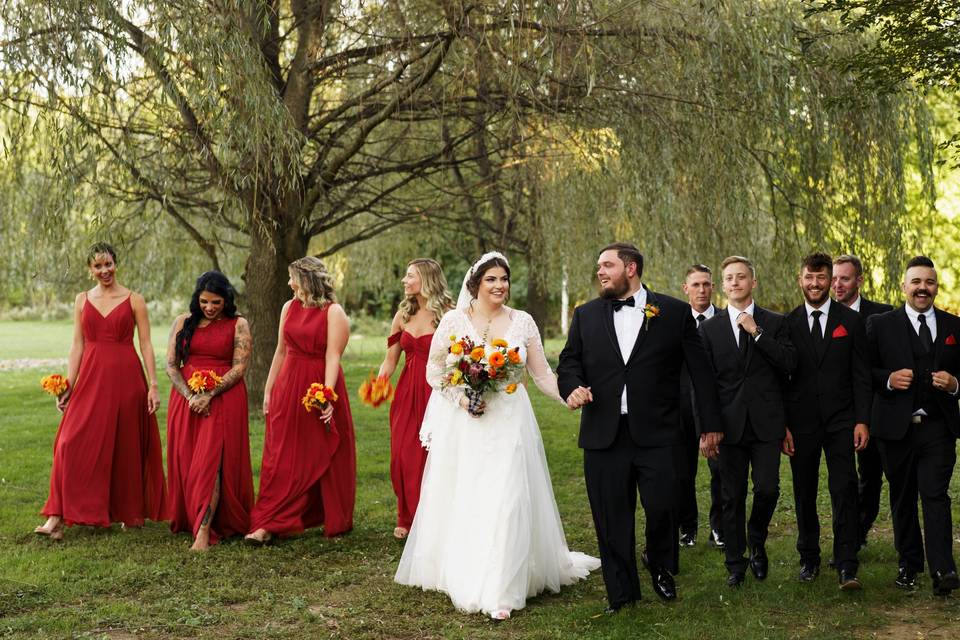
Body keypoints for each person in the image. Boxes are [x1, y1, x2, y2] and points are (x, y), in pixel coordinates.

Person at [395, 252, 599, 621]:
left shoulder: (522, 321)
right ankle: (469, 569)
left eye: (504, 279)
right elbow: (435, 369)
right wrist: (461, 397)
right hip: (469, 423)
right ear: (476, 284)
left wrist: (567, 396)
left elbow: (540, 375)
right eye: (492, 279)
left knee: (509, 494)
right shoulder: (456, 320)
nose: (500, 285)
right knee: (472, 493)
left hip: (510, 419)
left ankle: (502, 587)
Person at [557, 243, 723, 611]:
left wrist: (709, 425)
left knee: (664, 507)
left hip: (661, 434)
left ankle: (661, 564)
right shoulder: (585, 316)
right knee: (610, 515)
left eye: (607, 265)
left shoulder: (673, 312)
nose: (600, 271)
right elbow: (569, 362)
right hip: (604, 433)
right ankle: (621, 592)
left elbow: (702, 374)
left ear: (630, 268)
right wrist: (571, 387)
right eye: (599, 265)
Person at [35, 242, 166, 540]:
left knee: (124, 444)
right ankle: (57, 516)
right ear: (89, 270)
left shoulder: (134, 300)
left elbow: (145, 344)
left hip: (126, 377)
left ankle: (127, 511)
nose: (104, 271)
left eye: (108, 264)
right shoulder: (81, 300)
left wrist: (153, 385)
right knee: (68, 442)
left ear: (115, 264)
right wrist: (68, 384)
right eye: (98, 266)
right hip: (91, 377)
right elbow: (77, 344)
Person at [865, 256, 960, 595]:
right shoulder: (880, 324)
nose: (923, 288)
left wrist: (955, 385)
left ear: (936, 287)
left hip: (938, 427)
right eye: (916, 282)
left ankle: (943, 569)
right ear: (904, 286)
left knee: (935, 494)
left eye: (929, 282)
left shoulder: (954, 327)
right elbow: (865, 373)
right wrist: (888, 379)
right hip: (895, 428)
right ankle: (909, 563)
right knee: (902, 496)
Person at [699, 256, 796, 587]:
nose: (736, 282)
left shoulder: (776, 322)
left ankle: (757, 538)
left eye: (742, 277)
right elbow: (705, 384)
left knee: (768, 489)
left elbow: (788, 366)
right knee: (732, 494)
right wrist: (707, 428)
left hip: (767, 422)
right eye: (729, 278)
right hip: (728, 424)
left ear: (753, 282)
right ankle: (735, 562)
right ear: (723, 285)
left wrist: (756, 333)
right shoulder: (708, 329)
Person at [246, 257, 356, 544]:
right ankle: (270, 521)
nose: (289, 283)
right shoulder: (288, 307)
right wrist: (270, 389)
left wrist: (326, 396)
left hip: (319, 384)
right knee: (281, 455)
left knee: (319, 450)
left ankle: (329, 515)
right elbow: (281, 351)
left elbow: (333, 356)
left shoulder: (334, 312)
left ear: (307, 280)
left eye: (292, 277)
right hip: (288, 384)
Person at [782, 253, 870, 589]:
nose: (816, 284)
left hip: (842, 421)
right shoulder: (787, 324)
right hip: (801, 423)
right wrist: (784, 426)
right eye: (810, 277)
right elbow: (782, 380)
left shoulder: (850, 321)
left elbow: (861, 376)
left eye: (822, 278)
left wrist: (862, 420)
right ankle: (809, 558)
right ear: (800, 279)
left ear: (830, 279)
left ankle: (847, 563)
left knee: (844, 489)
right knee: (803, 491)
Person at [165, 271, 254, 551]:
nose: (210, 307)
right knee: (189, 459)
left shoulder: (238, 324)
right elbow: (171, 364)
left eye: (216, 302)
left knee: (211, 461)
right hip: (186, 400)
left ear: (226, 299)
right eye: (204, 301)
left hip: (223, 399)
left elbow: (240, 367)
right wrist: (190, 395)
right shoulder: (183, 322)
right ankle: (192, 515)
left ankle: (204, 531)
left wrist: (210, 393)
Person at [377, 259, 454, 539]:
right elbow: (390, 360)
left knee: (433, 454)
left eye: (409, 276)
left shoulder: (449, 314)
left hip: (439, 391)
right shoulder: (403, 315)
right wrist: (379, 382)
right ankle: (405, 515)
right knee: (402, 454)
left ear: (426, 279)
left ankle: (434, 517)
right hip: (407, 391)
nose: (404, 281)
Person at [832, 254, 893, 548]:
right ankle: (847, 539)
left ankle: (858, 533)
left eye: (844, 278)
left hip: (875, 409)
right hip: (837, 411)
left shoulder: (883, 315)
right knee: (842, 481)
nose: (837, 284)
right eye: (834, 278)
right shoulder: (821, 314)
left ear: (859, 280)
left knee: (870, 477)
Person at [677, 264, 724, 550]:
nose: (702, 290)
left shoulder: (723, 321)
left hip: (714, 409)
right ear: (686, 288)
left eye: (706, 284)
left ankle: (719, 527)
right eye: (696, 285)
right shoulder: (674, 321)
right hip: (681, 408)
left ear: (713, 287)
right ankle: (688, 527)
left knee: (720, 472)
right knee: (683, 473)